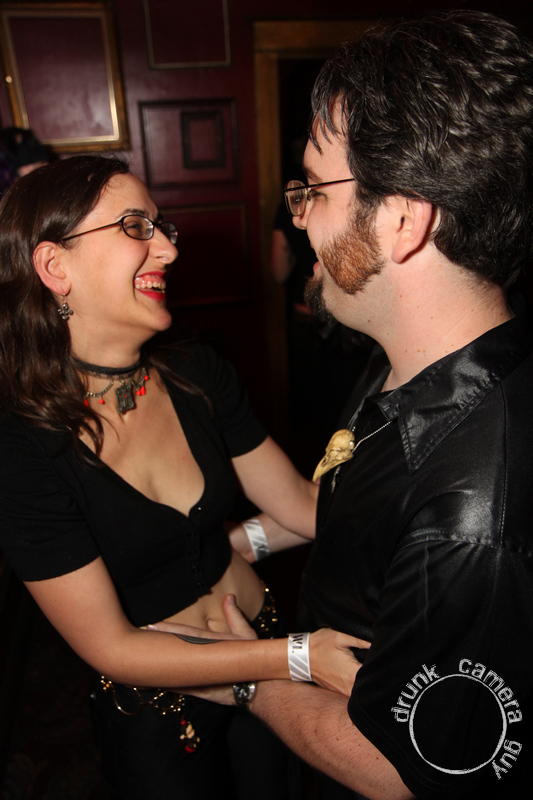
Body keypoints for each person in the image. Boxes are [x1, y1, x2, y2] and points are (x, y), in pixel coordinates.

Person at [177, 11, 533, 800]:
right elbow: (354, 512)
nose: (296, 213)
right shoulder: (400, 360)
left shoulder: (473, 517)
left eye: (313, 187)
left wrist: (242, 677)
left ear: (402, 220)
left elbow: (400, 766)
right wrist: (243, 540)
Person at [0, 155, 366, 800]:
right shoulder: (22, 447)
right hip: (160, 706)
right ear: (55, 267)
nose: (168, 249)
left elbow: (301, 506)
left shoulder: (197, 372)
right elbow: (111, 647)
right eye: (135, 226)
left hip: (264, 634)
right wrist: (294, 657)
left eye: (161, 226)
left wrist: (427, 496)